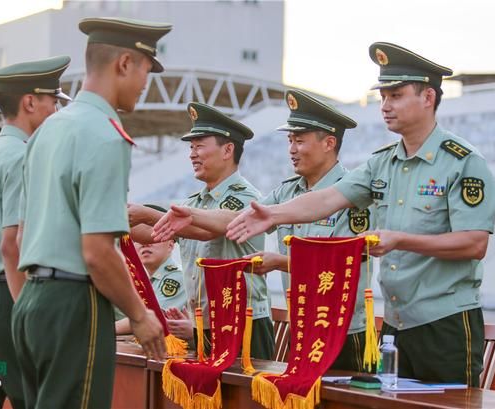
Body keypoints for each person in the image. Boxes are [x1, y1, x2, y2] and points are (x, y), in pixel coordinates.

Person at [225, 42, 495, 386]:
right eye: (383, 96)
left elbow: (474, 243)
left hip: (445, 321)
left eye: (396, 95)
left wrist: (401, 240)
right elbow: (329, 198)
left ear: (428, 98)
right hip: (398, 322)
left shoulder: (461, 161)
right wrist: (274, 215)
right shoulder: (382, 162)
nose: (385, 106)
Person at [11, 17, 172, 408]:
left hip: (32, 302)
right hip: (73, 306)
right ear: (124, 64)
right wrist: (139, 315)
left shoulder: (48, 130)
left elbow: (18, 238)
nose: (146, 83)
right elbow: (98, 252)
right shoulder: (104, 134)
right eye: (146, 69)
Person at [154, 89, 372, 370]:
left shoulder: (352, 194)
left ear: (329, 142)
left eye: (300, 141)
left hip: (343, 328)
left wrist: (280, 262)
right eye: (289, 140)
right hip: (302, 325)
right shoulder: (286, 192)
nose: (291, 149)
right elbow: (241, 220)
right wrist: (186, 218)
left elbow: (348, 263)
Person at [0, 56, 71, 409]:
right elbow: (11, 245)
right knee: (35, 400)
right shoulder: (23, 157)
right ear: (30, 102)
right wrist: (25, 318)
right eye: (52, 101)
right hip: (8, 300)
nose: (55, 110)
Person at [128, 102, 275, 360]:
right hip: (205, 322)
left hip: (243, 320)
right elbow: (155, 234)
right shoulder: (193, 202)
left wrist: (147, 214)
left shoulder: (247, 198)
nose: (192, 155)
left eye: (199, 146)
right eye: (191, 148)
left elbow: (207, 230)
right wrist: (114, 219)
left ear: (228, 150)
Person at [115, 206, 186, 335]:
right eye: (138, 239)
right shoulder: (142, 281)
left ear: (170, 244)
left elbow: (153, 317)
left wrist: (102, 330)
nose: (145, 244)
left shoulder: (176, 278)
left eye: (153, 236)